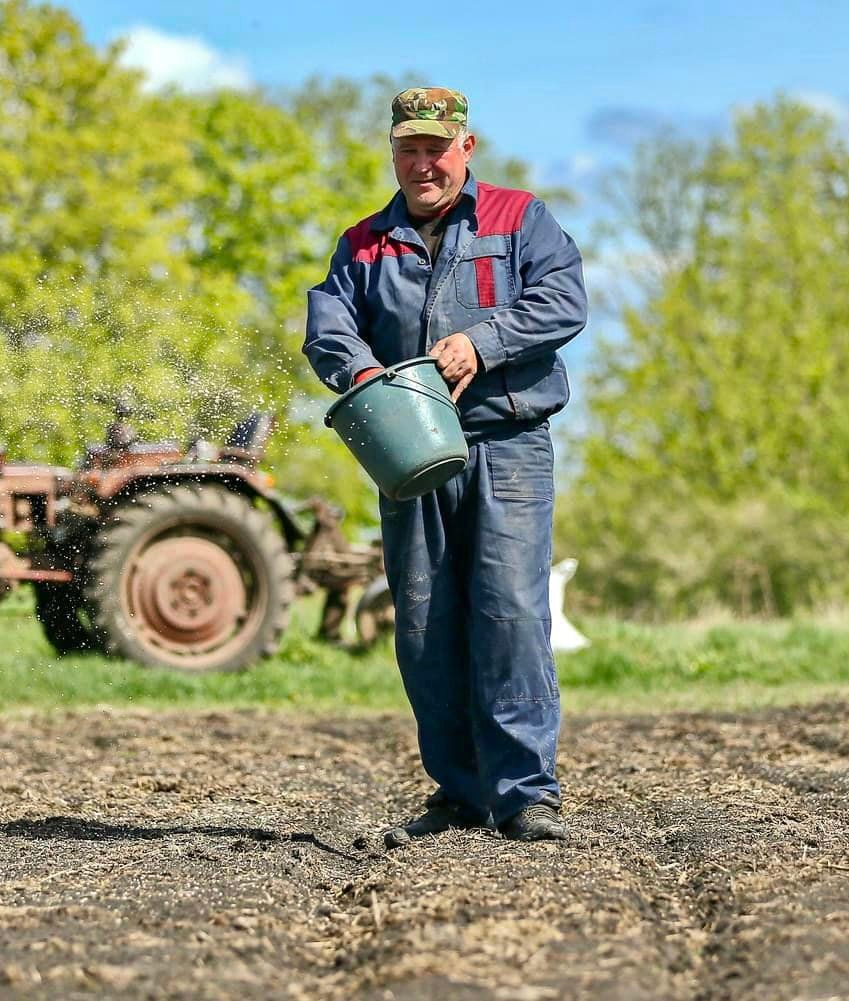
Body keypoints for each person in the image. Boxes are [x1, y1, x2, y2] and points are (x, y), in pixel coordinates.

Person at [303, 87, 587, 845]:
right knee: (425, 621)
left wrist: (484, 342)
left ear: (467, 147)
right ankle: (458, 793)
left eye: (436, 147)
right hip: (410, 451)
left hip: (507, 443)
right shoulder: (362, 243)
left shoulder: (520, 219)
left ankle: (527, 794)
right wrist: (360, 372)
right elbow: (328, 326)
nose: (422, 163)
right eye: (408, 149)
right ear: (393, 153)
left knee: (510, 611)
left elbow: (563, 301)